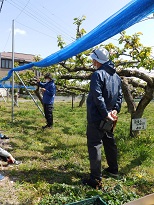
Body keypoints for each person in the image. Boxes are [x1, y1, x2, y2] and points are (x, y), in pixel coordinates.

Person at [83, 48, 123, 189]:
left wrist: (105, 113)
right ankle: (113, 169)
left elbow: (97, 96)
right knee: (109, 141)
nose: (92, 62)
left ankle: (95, 179)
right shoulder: (116, 77)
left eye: (93, 59)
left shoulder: (97, 75)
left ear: (97, 60)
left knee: (95, 145)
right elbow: (119, 97)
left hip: (97, 117)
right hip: (109, 118)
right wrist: (114, 111)